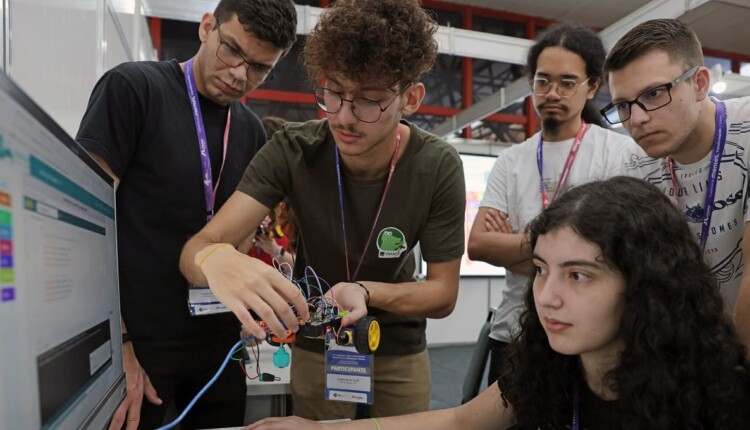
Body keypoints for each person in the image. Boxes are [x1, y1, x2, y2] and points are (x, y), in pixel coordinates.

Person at [246, 176, 750, 430]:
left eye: (579, 275)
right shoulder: (552, 363)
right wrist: (317, 428)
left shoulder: (717, 398)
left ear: (645, 283)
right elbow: (460, 420)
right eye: (542, 270)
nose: (548, 296)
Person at [180, 0, 465, 420]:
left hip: (397, 346)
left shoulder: (436, 166)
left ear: (411, 98)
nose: (344, 118)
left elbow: (442, 293)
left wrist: (367, 292)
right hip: (317, 343)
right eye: (334, 93)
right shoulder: (292, 149)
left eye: (369, 102)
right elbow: (198, 248)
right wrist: (217, 259)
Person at [75, 1, 299, 428]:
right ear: (207, 26)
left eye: (259, 68)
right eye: (231, 50)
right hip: (138, 343)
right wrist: (116, 345)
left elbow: (240, 238)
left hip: (217, 346)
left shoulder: (251, 131)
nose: (239, 74)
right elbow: (84, 223)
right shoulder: (133, 89)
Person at [467, 23, 644, 386]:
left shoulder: (619, 153)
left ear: (592, 86)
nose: (553, 92)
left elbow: (610, 251)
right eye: (543, 81)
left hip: (589, 334)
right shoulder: (512, 160)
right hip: (512, 331)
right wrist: (566, 252)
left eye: (567, 82)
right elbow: (479, 244)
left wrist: (519, 244)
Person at [601, 18, 750, 346]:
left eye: (653, 94)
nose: (637, 119)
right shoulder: (632, 167)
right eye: (623, 106)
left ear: (699, 84)